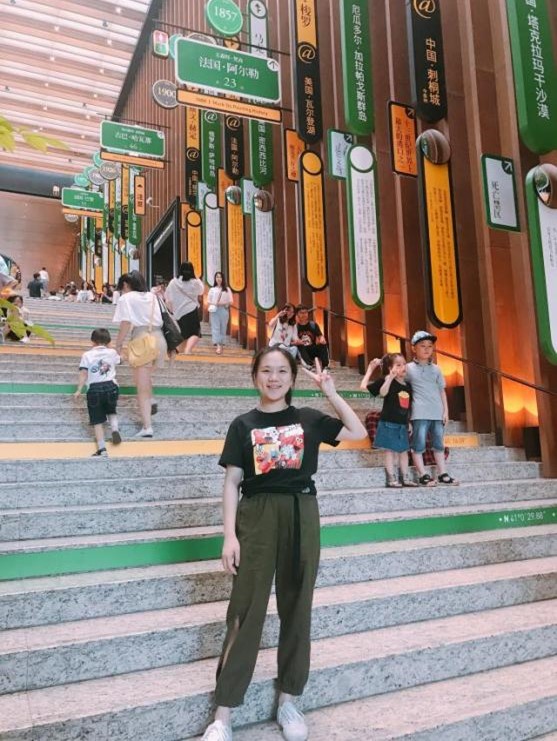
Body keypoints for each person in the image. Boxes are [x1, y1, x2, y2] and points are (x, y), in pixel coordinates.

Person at [201, 349, 367, 741]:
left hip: (300, 511)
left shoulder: (308, 418)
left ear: (292, 378)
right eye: (266, 371)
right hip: (256, 515)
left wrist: (330, 392)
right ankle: (223, 714)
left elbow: (357, 432)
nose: (273, 378)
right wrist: (229, 536)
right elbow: (231, 482)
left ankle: (289, 700)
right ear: (255, 376)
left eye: (281, 371)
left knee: (298, 605)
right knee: (245, 609)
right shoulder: (243, 425)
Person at [113, 271, 166, 438]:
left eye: (121, 288)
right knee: (145, 377)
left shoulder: (126, 298)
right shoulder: (152, 296)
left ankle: (147, 427)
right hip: (159, 340)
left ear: (125, 285)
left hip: (143, 341)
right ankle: (152, 399)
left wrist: (118, 344)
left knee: (141, 388)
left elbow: (126, 323)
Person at [406, 330, 459, 486]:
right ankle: (423, 475)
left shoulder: (436, 369)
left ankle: (443, 473)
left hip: (437, 412)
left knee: (439, 445)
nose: (427, 349)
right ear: (414, 348)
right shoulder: (408, 368)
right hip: (419, 413)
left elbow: (441, 391)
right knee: (418, 445)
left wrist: (446, 411)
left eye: (430, 346)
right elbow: (402, 390)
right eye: (422, 345)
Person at [361, 354, 417, 488]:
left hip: (402, 424)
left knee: (404, 451)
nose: (403, 367)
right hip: (388, 422)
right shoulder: (387, 379)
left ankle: (405, 477)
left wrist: (408, 422)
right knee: (389, 451)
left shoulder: (408, 385)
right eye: (398, 365)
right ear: (390, 368)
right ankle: (391, 478)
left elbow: (408, 406)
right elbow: (382, 392)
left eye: (404, 364)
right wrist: (387, 377)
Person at [74, 328, 122, 457]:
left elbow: (83, 373)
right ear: (108, 341)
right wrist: (112, 347)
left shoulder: (87, 355)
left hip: (94, 389)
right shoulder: (112, 352)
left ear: (92, 341)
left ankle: (102, 449)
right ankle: (115, 429)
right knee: (111, 411)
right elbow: (120, 360)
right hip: (111, 386)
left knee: (97, 420)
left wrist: (79, 389)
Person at [165, 261, 204, 355]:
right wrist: (197, 278)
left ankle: (179, 351)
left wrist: (171, 310)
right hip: (191, 310)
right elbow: (201, 291)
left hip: (179, 312)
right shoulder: (194, 282)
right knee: (195, 333)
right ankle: (187, 350)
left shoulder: (173, 282)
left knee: (184, 334)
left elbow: (167, 297)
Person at [293, 305, 329, 370]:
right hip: (302, 351)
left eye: (305, 312)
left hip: (312, 348)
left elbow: (320, 335)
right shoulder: (295, 327)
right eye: (301, 313)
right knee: (300, 346)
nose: (304, 315)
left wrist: (322, 339)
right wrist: (297, 342)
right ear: (297, 314)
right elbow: (292, 341)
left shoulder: (313, 325)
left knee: (322, 345)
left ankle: (325, 365)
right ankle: (310, 365)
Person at [207, 271, 233, 355]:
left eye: (220, 277)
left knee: (223, 327)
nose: (219, 279)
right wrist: (215, 303)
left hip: (224, 310)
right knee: (215, 327)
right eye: (217, 277)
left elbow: (231, 301)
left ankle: (221, 344)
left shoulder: (227, 289)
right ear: (215, 279)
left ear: (223, 279)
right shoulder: (212, 289)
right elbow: (208, 301)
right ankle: (218, 345)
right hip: (215, 310)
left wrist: (223, 303)